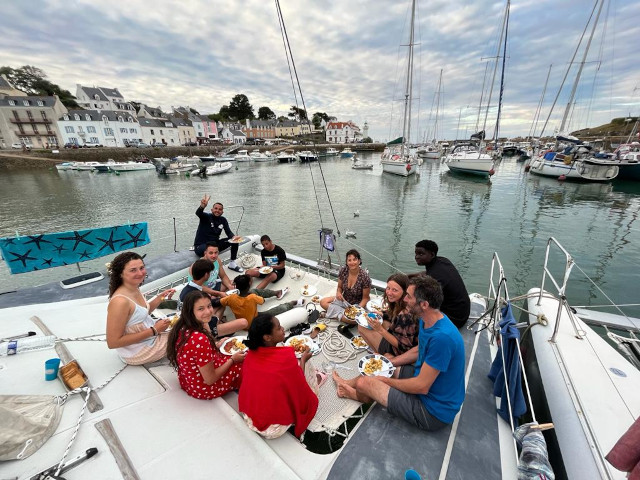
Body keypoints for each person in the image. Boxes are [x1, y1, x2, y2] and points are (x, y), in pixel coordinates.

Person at [333, 276, 465, 431]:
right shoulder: (428, 319)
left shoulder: (442, 338)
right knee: (380, 364)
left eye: (409, 296)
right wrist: (389, 363)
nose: (405, 299)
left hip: (432, 411)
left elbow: (422, 387)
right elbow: (418, 349)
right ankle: (348, 384)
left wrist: (385, 380)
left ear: (424, 304)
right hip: (422, 377)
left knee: (366, 382)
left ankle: (355, 394)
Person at [238, 313, 320, 438]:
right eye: (278, 328)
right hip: (274, 427)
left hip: (250, 417)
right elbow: (298, 387)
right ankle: (316, 379)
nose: (282, 329)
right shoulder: (286, 357)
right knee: (305, 363)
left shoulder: (250, 354)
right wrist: (303, 361)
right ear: (267, 337)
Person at [166, 290, 245, 400]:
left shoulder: (182, 326)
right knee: (245, 362)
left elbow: (196, 353)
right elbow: (210, 379)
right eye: (201, 309)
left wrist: (216, 345)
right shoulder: (199, 338)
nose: (208, 312)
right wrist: (232, 360)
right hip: (205, 388)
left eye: (209, 306)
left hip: (189, 382)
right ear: (191, 312)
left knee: (232, 354)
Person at [106, 252, 177, 365]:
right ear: (120, 274)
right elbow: (113, 342)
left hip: (147, 340)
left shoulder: (133, 288)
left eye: (142, 268)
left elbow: (139, 315)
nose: (140, 273)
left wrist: (159, 298)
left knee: (189, 323)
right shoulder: (120, 302)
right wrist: (154, 330)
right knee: (192, 330)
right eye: (133, 270)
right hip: (139, 351)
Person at [410, 240, 470, 328]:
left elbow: (425, 300)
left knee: (413, 309)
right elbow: (427, 272)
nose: (416, 257)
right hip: (464, 311)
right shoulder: (442, 261)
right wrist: (410, 276)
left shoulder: (435, 277)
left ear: (432, 255)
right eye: (416, 253)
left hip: (455, 319)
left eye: (421, 254)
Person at [180, 259, 248, 336]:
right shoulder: (196, 295)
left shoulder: (188, 288)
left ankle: (218, 322)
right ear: (206, 275)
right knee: (243, 322)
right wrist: (226, 299)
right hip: (199, 327)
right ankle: (214, 330)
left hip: (189, 321)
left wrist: (220, 299)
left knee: (220, 305)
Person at [358, 273, 417, 356]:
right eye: (388, 288)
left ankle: (382, 355)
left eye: (395, 290)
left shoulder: (405, 315)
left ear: (404, 292)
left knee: (362, 326)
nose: (389, 293)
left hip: (400, 351)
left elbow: (403, 347)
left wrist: (380, 330)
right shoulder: (399, 303)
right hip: (400, 338)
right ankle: (379, 351)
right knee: (382, 321)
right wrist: (382, 314)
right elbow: (392, 316)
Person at [220, 274, 303, 327]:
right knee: (273, 311)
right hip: (253, 321)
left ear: (236, 287)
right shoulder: (252, 297)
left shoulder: (231, 298)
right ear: (249, 285)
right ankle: (291, 303)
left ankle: (277, 293)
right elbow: (262, 301)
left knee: (254, 291)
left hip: (242, 321)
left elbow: (220, 302)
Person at [193, 195, 244, 272]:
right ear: (211, 210)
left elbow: (228, 232)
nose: (217, 210)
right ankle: (210, 270)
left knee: (234, 241)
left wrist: (234, 237)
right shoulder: (206, 217)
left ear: (222, 212)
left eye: (220, 209)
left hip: (215, 244)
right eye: (216, 208)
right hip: (201, 246)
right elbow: (198, 213)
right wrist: (202, 206)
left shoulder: (223, 220)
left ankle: (232, 264)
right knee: (211, 249)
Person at [319, 249, 371, 324]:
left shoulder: (364, 277)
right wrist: (339, 293)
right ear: (347, 262)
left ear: (359, 261)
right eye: (349, 260)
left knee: (354, 320)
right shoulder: (344, 271)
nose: (352, 262)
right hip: (344, 300)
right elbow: (339, 287)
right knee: (323, 302)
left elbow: (366, 298)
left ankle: (331, 314)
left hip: (357, 304)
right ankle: (341, 315)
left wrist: (356, 309)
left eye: (354, 259)